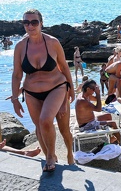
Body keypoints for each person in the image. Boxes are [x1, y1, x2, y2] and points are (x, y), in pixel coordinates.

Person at [12, 9, 75, 172]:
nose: (30, 26)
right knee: (39, 126)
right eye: (26, 22)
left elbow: (64, 67)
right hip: (31, 92)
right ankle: (50, 156)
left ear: (41, 23)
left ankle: (69, 153)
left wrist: (71, 89)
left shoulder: (52, 42)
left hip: (56, 87)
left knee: (57, 125)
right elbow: (17, 74)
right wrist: (14, 99)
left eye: (34, 22)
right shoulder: (20, 47)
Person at [75, 79, 121, 144]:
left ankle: (112, 138)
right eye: (93, 89)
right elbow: (98, 109)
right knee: (113, 123)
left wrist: (97, 93)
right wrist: (98, 94)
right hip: (86, 126)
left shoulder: (85, 95)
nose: (94, 91)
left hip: (91, 121)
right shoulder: (82, 101)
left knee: (108, 116)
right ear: (88, 89)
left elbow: (96, 99)